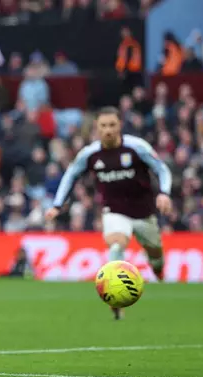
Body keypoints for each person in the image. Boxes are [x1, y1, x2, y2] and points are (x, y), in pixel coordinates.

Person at [44, 107, 172, 320]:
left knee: (156, 255)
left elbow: (161, 168)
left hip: (144, 212)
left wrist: (164, 193)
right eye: (103, 126)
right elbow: (70, 175)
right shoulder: (90, 154)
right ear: (97, 128)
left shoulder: (136, 147)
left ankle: (158, 271)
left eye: (112, 125)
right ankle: (115, 297)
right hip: (114, 211)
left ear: (120, 125)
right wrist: (57, 205)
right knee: (116, 244)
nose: (108, 130)